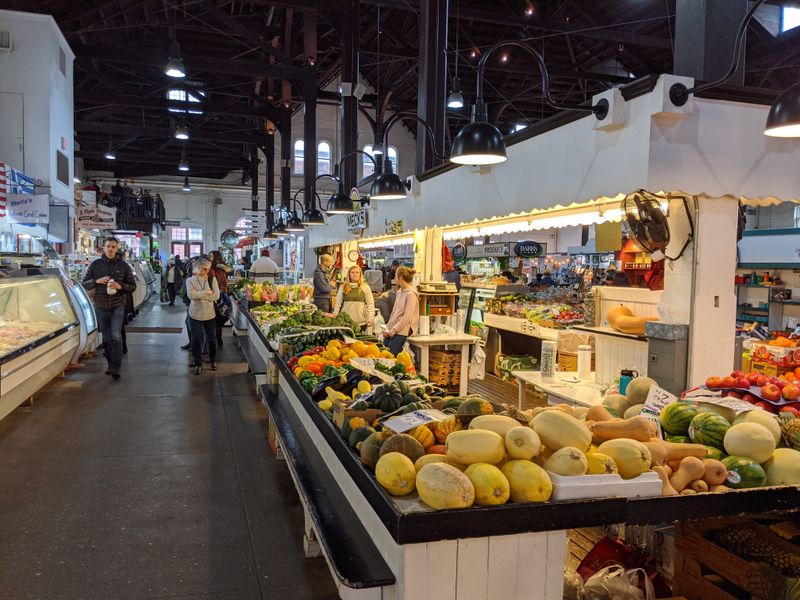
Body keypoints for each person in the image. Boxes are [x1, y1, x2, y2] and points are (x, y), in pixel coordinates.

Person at [82, 237, 136, 379]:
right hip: (100, 305)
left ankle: (116, 367)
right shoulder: (95, 265)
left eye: (113, 246)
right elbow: (85, 284)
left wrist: (120, 286)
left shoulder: (123, 266)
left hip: (118, 305)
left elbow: (132, 286)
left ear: (116, 248)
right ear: (103, 248)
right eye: (108, 246)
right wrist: (96, 281)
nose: (110, 249)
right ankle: (111, 364)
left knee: (116, 336)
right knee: (106, 338)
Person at [186, 257, 220, 375]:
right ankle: (198, 363)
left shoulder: (212, 279)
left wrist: (199, 296)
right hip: (194, 314)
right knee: (196, 339)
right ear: (197, 268)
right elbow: (191, 295)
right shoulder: (190, 280)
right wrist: (206, 292)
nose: (206, 271)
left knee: (212, 339)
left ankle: (212, 360)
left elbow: (216, 296)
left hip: (210, 314)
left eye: (208, 269)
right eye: (204, 269)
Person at [383, 266, 420, 356]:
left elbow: (407, 317)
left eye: (395, 276)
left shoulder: (411, 294)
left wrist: (394, 330)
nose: (394, 278)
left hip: (403, 331)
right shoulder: (399, 292)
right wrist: (388, 328)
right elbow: (394, 312)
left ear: (401, 278)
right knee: (382, 353)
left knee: (390, 357)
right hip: (394, 330)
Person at [209, 251, 232, 346]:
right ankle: (218, 339)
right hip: (220, 293)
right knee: (218, 318)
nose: (209, 257)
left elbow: (220, 281)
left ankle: (216, 339)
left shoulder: (217, 267)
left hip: (218, 295)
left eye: (211, 255)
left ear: (215, 257)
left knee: (216, 317)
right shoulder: (221, 266)